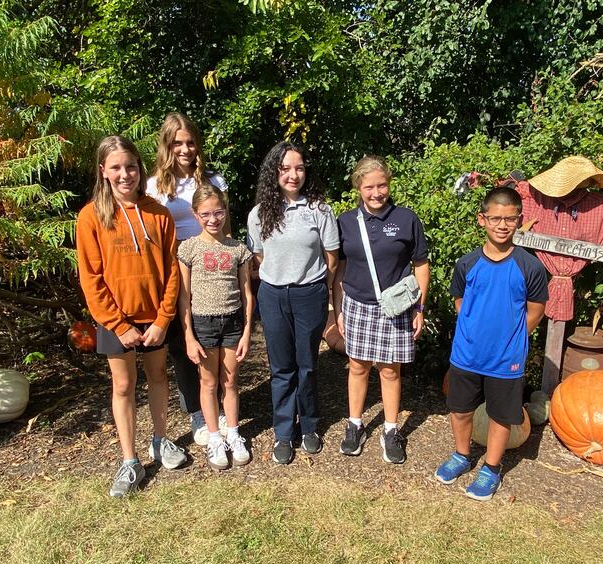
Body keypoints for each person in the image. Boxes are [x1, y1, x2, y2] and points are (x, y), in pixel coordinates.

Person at [76, 135, 188, 498]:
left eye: (131, 166)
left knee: (158, 376)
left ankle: (160, 439)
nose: (125, 174)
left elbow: (172, 271)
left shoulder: (158, 213)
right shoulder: (91, 217)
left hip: (155, 317)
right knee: (123, 386)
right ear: (103, 171)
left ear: (140, 168)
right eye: (116, 168)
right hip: (115, 320)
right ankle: (129, 460)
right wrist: (118, 325)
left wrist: (163, 319)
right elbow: (91, 278)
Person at [435, 186, 548, 500]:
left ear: (519, 221)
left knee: (500, 415)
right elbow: (460, 301)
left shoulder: (530, 267)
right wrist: (474, 329)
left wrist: (510, 338)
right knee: (460, 410)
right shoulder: (467, 264)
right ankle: (461, 455)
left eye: (510, 219)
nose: (502, 225)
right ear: (481, 219)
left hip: (506, 358)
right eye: (495, 218)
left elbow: (536, 310)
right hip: (467, 354)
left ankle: (491, 468)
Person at [332, 155, 430, 464]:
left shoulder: (406, 219)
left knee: (390, 370)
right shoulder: (346, 222)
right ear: (358, 188)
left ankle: (390, 429)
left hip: (396, 308)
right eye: (369, 187)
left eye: (382, 185)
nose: (377, 193)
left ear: (389, 184)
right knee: (358, 366)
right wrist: (339, 309)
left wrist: (419, 307)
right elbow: (339, 269)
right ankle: (355, 425)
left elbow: (421, 264)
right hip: (357, 304)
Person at [246, 141, 339, 465]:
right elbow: (260, 256)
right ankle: (284, 432)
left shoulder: (320, 210)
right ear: (274, 172)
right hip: (273, 296)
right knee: (281, 368)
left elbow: (331, 257)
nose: (293, 175)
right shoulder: (259, 214)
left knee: (307, 365)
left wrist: (319, 287)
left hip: (309, 294)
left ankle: (309, 426)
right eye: (285, 168)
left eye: (299, 168)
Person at [146, 113, 229, 446]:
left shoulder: (213, 180)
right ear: (166, 146)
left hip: (212, 268)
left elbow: (226, 229)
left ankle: (217, 405)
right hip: (176, 268)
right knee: (183, 341)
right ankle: (195, 409)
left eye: (190, 142)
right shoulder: (154, 187)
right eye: (177, 143)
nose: (185, 149)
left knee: (214, 337)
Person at [176, 184, 254, 470]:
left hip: (232, 322)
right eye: (206, 214)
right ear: (195, 215)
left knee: (230, 381)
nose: (213, 219)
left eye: (218, 212)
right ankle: (214, 437)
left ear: (225, 211)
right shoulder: (189, 248)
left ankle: (233, 432)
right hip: (203, 323)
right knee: (208, 383)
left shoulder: (238, 249)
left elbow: (247, 294)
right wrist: (188, 335)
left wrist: (247, 332)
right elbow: (184, 297)